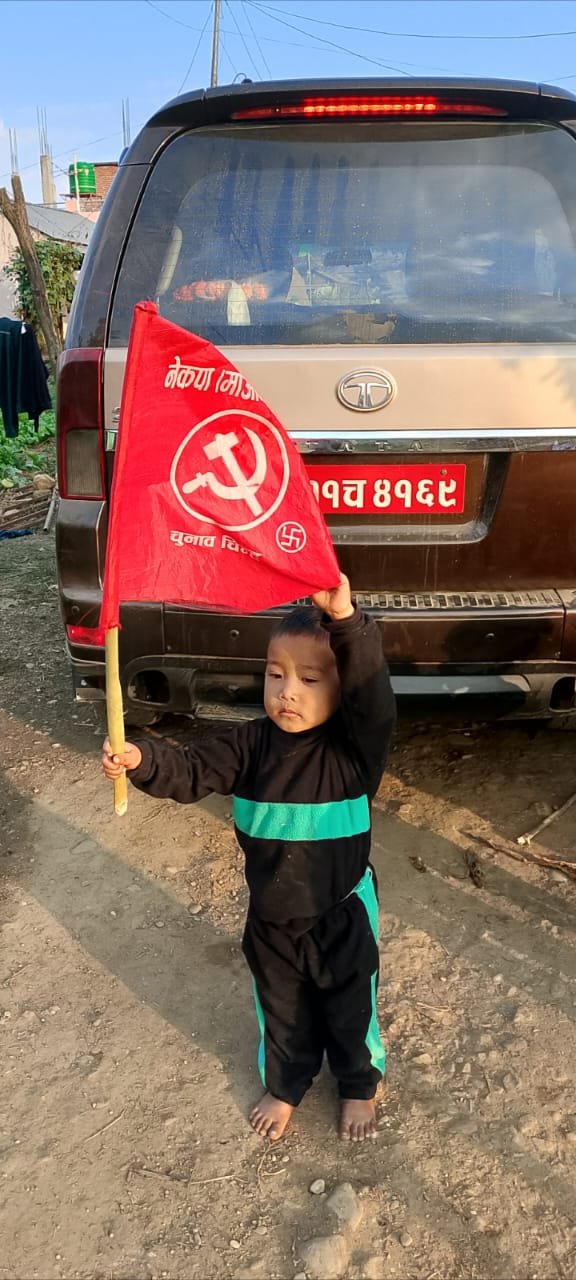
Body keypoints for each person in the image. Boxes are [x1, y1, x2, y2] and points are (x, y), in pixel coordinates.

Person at [102, 575, 396, 1142]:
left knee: (351, 1005)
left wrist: (346, 621)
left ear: (340, 690)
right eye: (275, 674)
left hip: (342, 911)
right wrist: (142, 759)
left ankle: (359, 1084)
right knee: (280, 1007)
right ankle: (286, 1084)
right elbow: (190, 770)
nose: (288, 691)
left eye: (310, 678)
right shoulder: (248, 745)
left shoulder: (354, 749)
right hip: (271, 915)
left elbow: (373, 695)